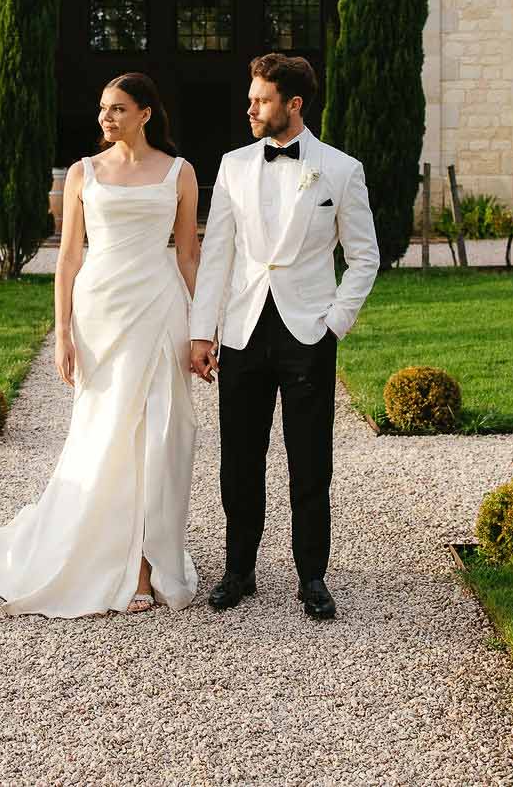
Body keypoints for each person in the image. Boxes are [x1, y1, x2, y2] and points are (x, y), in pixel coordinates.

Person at [0, 72, 203, 617]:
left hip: (160, 307)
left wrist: (205, 327)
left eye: (118, 108)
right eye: (102, 109)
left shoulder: (179, 173)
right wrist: (63, 333)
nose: (106, 118)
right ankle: (97, 550)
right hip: (100, 310)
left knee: (159, 435)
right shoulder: (82, 173)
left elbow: (189, 256)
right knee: (106, 433)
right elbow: (68, 259)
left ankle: (144, 564)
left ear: (146, 113)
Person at [188, 53, 379, 620]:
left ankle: (313, 577)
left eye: (262, 99)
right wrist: (203, 331)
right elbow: (218, 251)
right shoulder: (232, 166)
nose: (250, 107)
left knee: (310, 459)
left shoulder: (341, 170)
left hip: (307, 333)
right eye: (251, 98)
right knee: (239, 460)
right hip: (244, 330)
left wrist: (334, 322)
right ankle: (239, 571)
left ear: (293, 105)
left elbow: (364, 258)